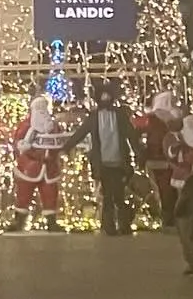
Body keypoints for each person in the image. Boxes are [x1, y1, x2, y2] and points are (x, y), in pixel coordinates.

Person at [63, 81, 143, 236]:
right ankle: (110, 226)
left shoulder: (119, 115)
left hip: (119, 162)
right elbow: (80, 133)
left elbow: (131, 135)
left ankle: (121, 225)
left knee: (118, 195)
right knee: (108, 196)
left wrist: (139, 152)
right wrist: (66, 147)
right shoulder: (94, 117)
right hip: (103, 162)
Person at [11, 94, 65, 231]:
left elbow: (59, 141)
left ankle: (51, 222)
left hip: (49, 167)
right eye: (38, 107)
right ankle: (19, 221)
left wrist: (55, 153)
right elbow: (18, 142)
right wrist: (28, 151)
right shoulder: (26, 125)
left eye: (43, 107)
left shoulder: (53, 126)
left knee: (50, 194)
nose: (41, 110)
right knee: (24, 193)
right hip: (30, 166)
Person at [135, 90, 182, 230]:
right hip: (172, 159)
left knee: (161, 190)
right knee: (171, 189)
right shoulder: (176, 120)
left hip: (155, 159)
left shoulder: (150, 119)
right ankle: (173, 216)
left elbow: (135, 125)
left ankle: (166, 217)